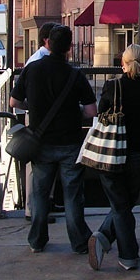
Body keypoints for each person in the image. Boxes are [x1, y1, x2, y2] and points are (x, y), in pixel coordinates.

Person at [10, 25, 97, 254]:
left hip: (41, 143)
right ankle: (78, 242)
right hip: (70, 143)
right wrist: (73, 111)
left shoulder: (31, 70)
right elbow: (91, 111)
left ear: (47, 43)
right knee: (72, 195)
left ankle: (37, 240)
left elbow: (14, 103)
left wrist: (34, 108)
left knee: (39, 194)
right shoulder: (75, 74)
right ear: (69, 47)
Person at [88, 44, 140, 271]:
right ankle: (107, 240)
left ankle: (127, 254)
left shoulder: (112, 86)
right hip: (139, 152)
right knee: (125, 204)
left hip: (111, 152)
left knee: (120, 206)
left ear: (122, 63)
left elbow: (100, 114)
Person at [19, 22, 59, 223]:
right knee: (36, 168)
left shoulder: (41, 60)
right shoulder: (38, 61)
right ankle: (32, 209)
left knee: (45, 166)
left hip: (43, 121)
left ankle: (45, 205)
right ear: (47, 40)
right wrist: (34, 108)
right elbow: (18, 98)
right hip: (39, 122)